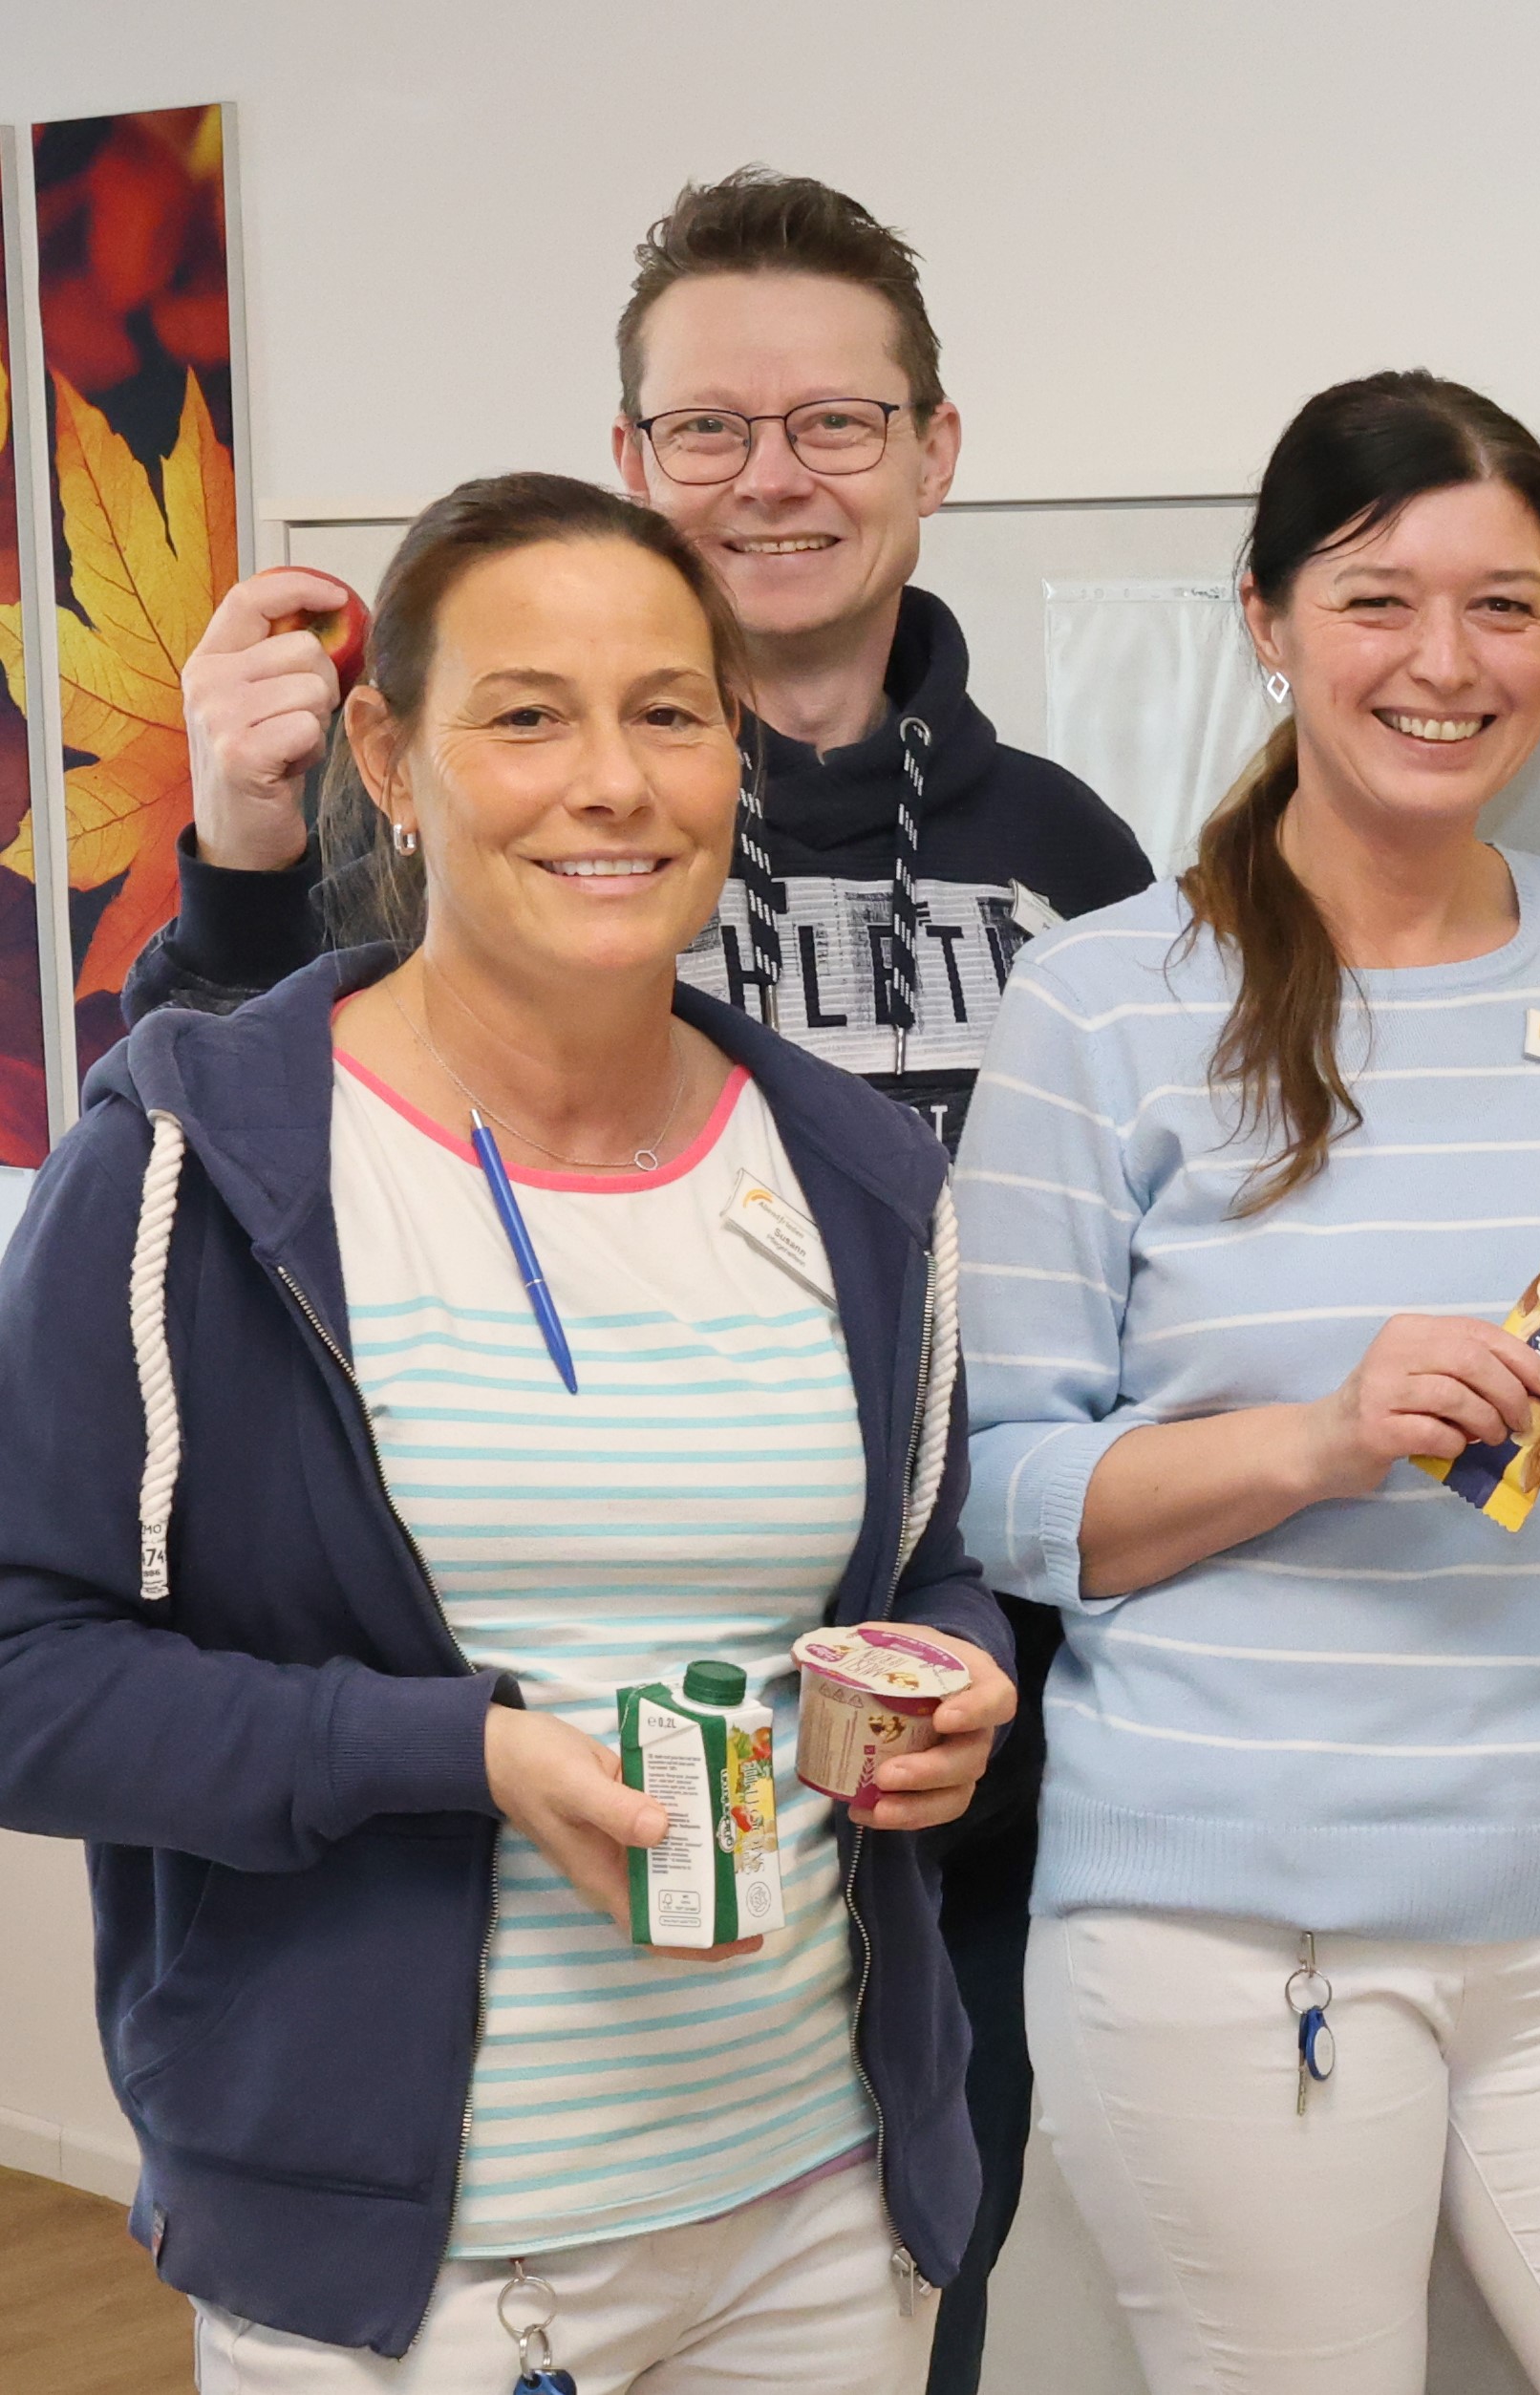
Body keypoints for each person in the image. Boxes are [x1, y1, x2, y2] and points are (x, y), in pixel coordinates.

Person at [143, 168, 1144, 2391]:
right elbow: (235, 1156)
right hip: (469, 1901)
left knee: (911, 2281)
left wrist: (999, 1666)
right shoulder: (479, 813)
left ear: (935, 452)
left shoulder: (1066, 851)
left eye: (834, 425)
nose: (771, 478)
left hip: (920, 1800)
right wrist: (231, 851)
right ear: (634, 461)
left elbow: (1116, 1275)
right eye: (708, 429)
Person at [0, 471, 1016, 2387]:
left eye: (668, 712)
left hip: (819, 2214)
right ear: (390, 754)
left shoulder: (861, 1178)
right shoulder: (198, 1156)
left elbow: (932, 1571)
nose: (610, 783)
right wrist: (456, 1752)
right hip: (423, 2267)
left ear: (735, 756)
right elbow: (25, 1676)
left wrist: (951, 1676)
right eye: (527, 715)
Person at [956, 371, 1540, 2393]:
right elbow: (1000, 1496)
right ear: (1265, 621)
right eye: (1377, 600)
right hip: (1233, 1921)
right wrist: (1321, 1441)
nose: (1446, 663)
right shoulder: (1101, 1001)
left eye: (1507, 605)